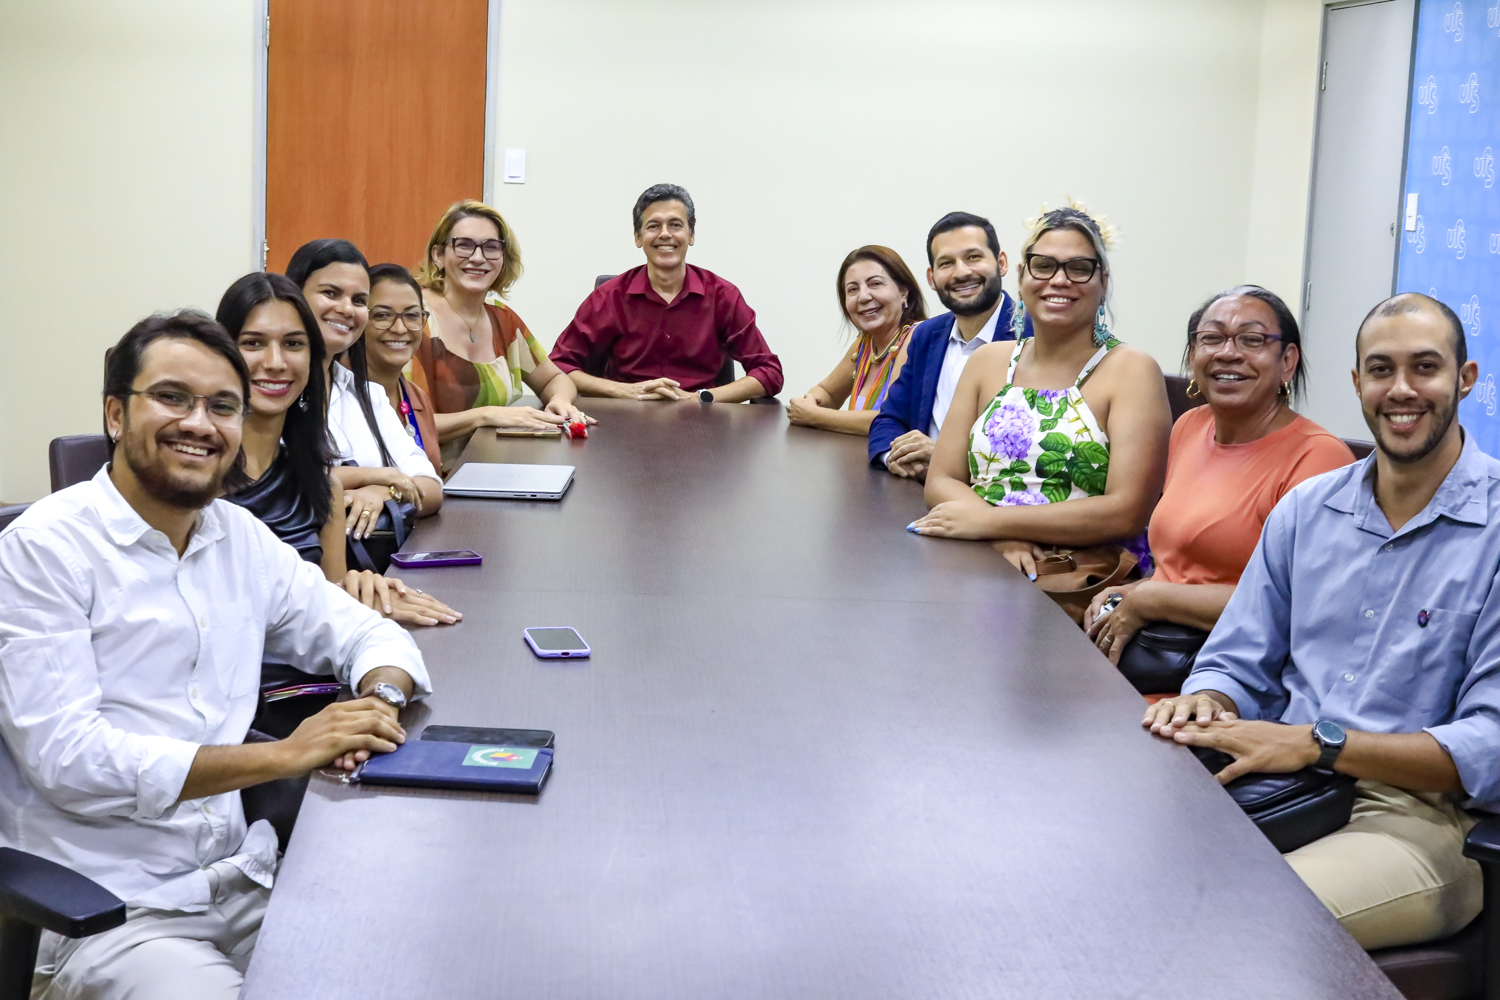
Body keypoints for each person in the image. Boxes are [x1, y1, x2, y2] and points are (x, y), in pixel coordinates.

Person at [0, 311, 430, 1000]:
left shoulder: (238, 538)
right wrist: (285, 754)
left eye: (222, 406)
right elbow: (68, 761)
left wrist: (374, 706)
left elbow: (366, 634)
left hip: (244, 880)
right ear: (116, 413)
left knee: (409, 963)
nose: (200, 423)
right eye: (172, 397)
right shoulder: (42, 550)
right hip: (112, 914)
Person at [1144, 292, 1498, 951]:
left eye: (1425, 367)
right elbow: (1237, 655)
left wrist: (1321, 742)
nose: (1402, 390)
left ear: (1465, 379)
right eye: (1382, 369)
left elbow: (1492, 743)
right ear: (1358, 382)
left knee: (1224, 929)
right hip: (1281, 779)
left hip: (1418, 822)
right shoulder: (1308, 510)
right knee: (1119, 877)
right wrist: (1207, 699)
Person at [1085, 286, 1354, 662]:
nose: (1228, 353)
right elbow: (1183, 566)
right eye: (1211, 338)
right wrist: (1132, 592)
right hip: (1157, 645)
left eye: (1252, 339)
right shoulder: (1189, 426)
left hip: (1233, 672)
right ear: (1193, 355)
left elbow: (1300, 604)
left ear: (1287, 362)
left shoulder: (1319, 457)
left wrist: (1152, 599)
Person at [912, 202, 1170, 576]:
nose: (1059, 280)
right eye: (1044, 265)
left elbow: (1126, 511)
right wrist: (1001, 539)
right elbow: (941, 479)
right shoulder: (988, 361)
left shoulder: (1132, 371)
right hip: (974, 558)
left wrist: (990, 524)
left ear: (1104, 282)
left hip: (1071, 575)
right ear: (1021, 277)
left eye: (1079, 268)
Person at [217, 271, 460, 626]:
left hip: (311, 677)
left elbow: (329, 623)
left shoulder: (323, 488)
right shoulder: (194, 482)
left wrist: (356, 596)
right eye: (253, 343)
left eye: (294, 344)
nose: (275, 362)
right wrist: (336, 601)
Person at [549, 183, 784, 402]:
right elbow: (557, 367)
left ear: (691, 235)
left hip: (704, 423)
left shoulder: (722, 296)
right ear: (638, 237)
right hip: (623, 419)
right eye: (653, 226)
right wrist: (622, 391)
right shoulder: (609, 298)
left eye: (675, 225)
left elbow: (769, 372)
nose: (665, 234)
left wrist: (700, 398)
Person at [408, 201, 591, 468]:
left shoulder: (502, 318)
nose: (478, 257)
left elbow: (554, 378)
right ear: (438, 255)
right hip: (427, 479)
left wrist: (560, 401)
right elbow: (405, 424)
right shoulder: (412, 320)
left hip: (492, 468)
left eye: (491, 247)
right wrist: (485, 415)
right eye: (464, 245)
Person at [286, 238, 442, 538]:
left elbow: (431, 486)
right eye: (331, 293)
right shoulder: (274, 391)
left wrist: (383, 492)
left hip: (372, 567)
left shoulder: (368, 396)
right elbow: (284, 482)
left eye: (358, 301)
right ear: (294, 294)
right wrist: (380, 476)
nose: (346, 309)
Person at [868, 212, 1028, 478]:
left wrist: (945, 455)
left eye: (973, 257)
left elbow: (1037, 448)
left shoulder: (1034, 336)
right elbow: (889, 419)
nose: (961, 272)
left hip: (997, 505)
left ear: (1001, 263)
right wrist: (894, 457)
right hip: (915, 491)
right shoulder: (926, 336)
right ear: (931, 278)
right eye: (946, 263)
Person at [785, 246, 926, 435]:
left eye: (875, 284)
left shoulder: (916, 338)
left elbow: (889, 420)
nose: (863, 296)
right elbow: (828, 393)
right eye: (852, 289)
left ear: (903, 292)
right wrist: (811, 402)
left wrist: (813, 416)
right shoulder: (865, 345)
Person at [365, 263, 442, 472]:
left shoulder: (416, 397)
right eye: (382, 315)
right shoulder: (338, 398)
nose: (400, 329)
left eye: (412, 315)